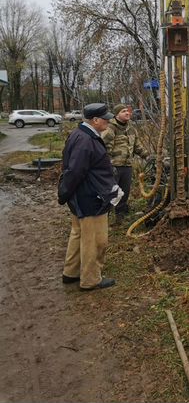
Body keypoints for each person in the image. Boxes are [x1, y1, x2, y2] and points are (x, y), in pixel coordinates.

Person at [58, 103, 123, 290]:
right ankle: (90, 279)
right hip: (91, 197)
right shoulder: (86, 140)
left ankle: (71, 272)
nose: (109, 121)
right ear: (95, 120)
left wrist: (67, 194)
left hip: (82, 196)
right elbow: (75, 171)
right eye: (106, 119)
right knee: (95, 240)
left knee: (78, 234)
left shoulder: (80, 135)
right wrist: (64, 193)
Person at [101, 104, 149, 222]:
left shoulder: (131, 127)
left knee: (124, 192)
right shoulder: (111, 128)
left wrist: (147, 156)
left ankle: (120, 216)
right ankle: (103, 218)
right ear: (117, 114)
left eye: (128, 111)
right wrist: (107, 165)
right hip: (114, 166)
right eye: (124, 111)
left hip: (127, 165)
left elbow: (137, 145)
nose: (128, 113)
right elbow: (103, 147)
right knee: (111, 193)